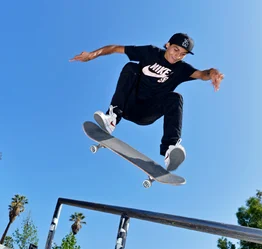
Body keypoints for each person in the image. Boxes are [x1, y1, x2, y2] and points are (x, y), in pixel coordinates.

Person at [70, 33, 224, 171]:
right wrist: (92, 55)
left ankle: (170, 149)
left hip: (147, 113)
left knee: (176, 98)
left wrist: (213, 73)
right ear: (168, 45)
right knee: (131, 67)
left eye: (182, 54)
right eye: (175, 50)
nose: (177, 56)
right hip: (128, 105)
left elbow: (202, 74)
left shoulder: (182, 69)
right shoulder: (150, 52)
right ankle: (112, 118)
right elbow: (115, 48)